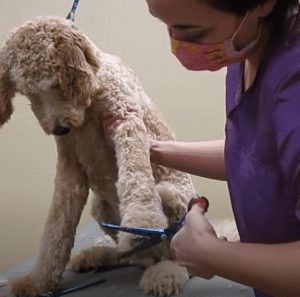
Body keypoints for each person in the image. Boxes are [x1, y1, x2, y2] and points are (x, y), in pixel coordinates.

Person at [144, 1, 300, 297]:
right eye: (165, 25)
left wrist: (209, 254)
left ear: (262, 4)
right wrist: (154, 151)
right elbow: (258, 156)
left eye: (195, 33)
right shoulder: (246, 51)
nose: (177, 46)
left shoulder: (294, 85)